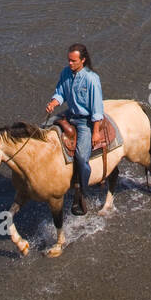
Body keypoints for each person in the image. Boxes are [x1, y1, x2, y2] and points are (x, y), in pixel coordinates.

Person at [45, 43, 104, 215]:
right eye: (69, 60)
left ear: (83, 60)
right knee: (44, 129)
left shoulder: (92, 79)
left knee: (80, 156)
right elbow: (60, 92)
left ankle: (82, 191)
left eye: (73, 61)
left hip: (85, 121)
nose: (70, 63)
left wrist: (96, 131)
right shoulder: (65, 73)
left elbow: (97, 109)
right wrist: (54, 103)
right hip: (69, 114)